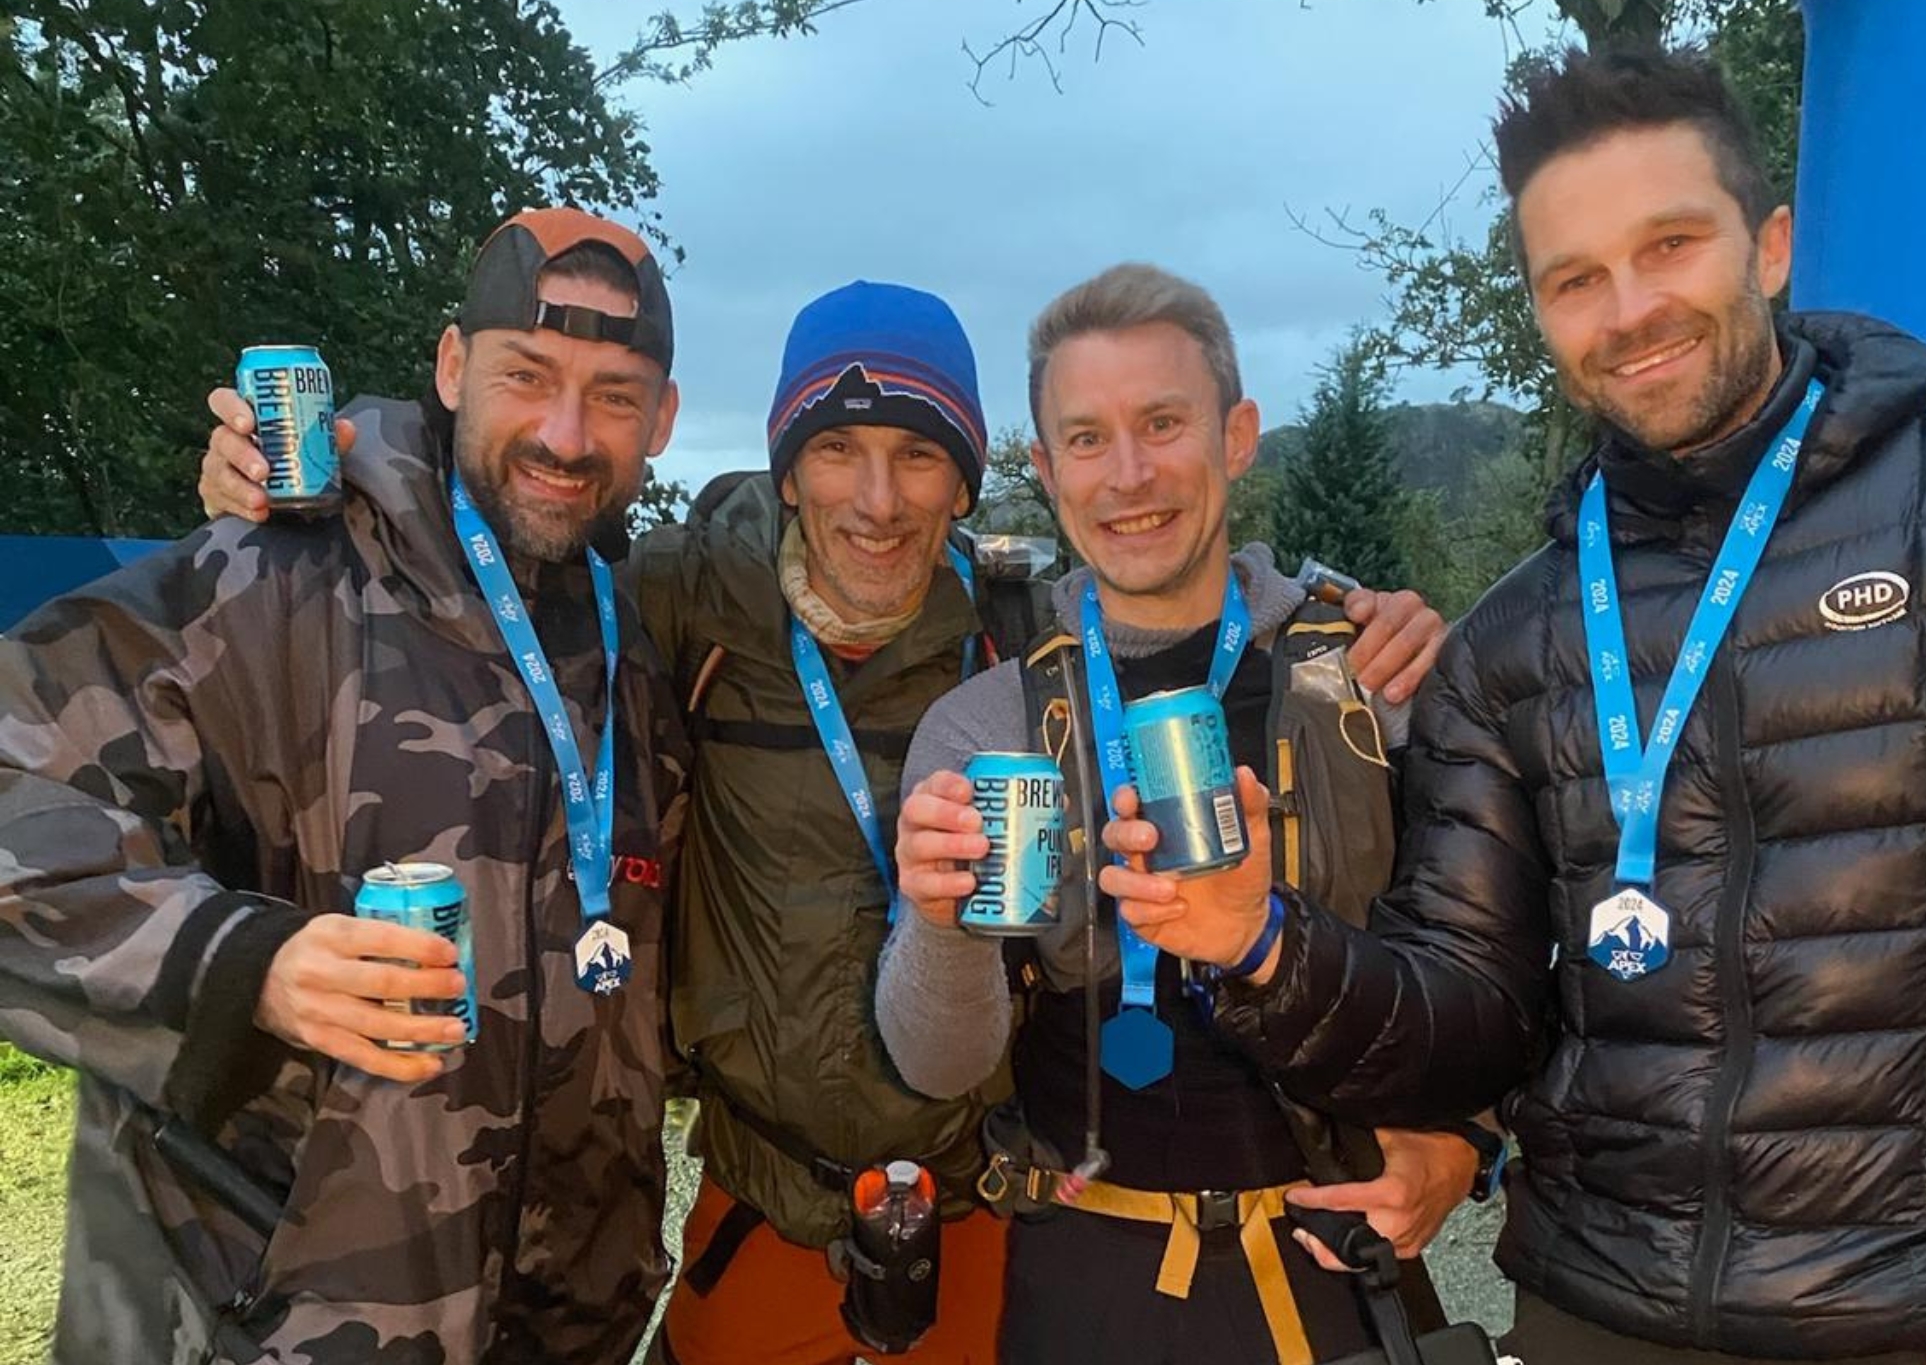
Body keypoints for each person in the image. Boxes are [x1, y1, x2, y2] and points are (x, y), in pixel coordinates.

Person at [201, 275, 1451, 1365]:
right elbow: (498, 555)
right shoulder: (680, 604)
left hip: (975, 1201)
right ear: (785, 463)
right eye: (838, 452)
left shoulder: (1013, 630)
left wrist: (1357, 614)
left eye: (919, 458)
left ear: (964, 483)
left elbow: (1173, 576)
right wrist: (322, 481)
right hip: (760, 1199)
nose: (877, 499)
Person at [1129, 45, 1926, 1365]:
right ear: (1544, 315)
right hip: (1593, 1312)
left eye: (1670, 245)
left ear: (1770, 246)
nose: (1630, 308)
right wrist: (1261, 944)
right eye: (1576, 279)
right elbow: (1469, 1019)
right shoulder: (1517, 637)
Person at [0, 207, 688, 1363]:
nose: (566, 434)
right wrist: (243, 964)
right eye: (528, 375)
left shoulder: (631, 645)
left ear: (661, 420)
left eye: (614, 394)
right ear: (453, 365)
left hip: (557, 1331)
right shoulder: (273, 576)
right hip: (267, 1325)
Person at [877, 262, 1483, 1365]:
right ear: (1045, 468)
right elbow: (937, 1066)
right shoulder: (985, 724)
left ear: (1235, 436)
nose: (1128, 474)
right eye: (1087, 438)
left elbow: (1490, 960)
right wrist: (934, 923)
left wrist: (1463, 1142)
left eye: (1162, 423)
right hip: (1077, 1280)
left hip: (1333, 1276)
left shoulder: (1373, 684)